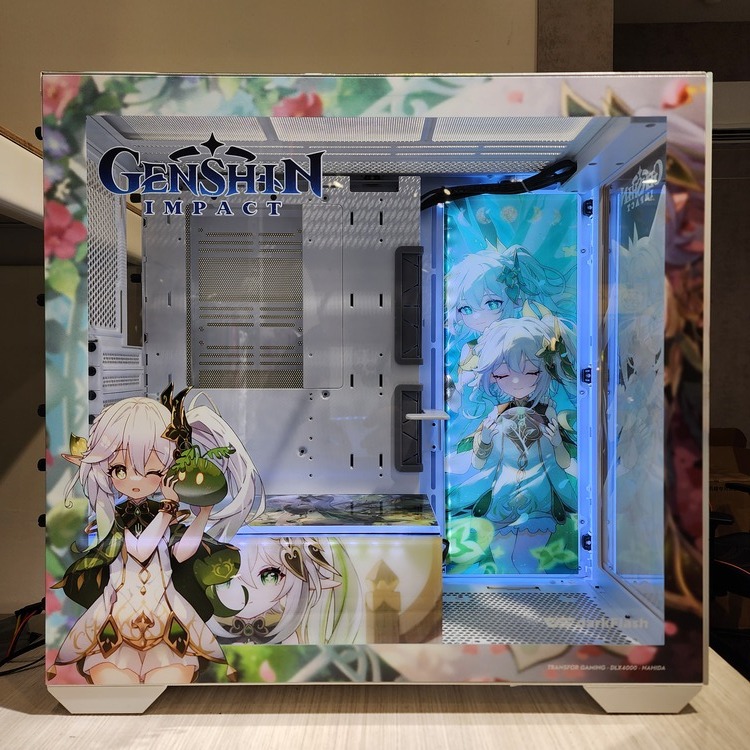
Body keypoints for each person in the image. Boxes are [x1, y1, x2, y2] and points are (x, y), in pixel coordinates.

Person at [51, 387, 264, 684]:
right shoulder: (116, 517)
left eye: (152, 471)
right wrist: (167, 509)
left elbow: (181, 553)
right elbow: (140, 550)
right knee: (111, 678)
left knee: (173, 673)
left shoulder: (165, 512)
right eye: (120, 469)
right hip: (118, 616)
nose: (135, 480)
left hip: (165, 616)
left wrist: (202, 514)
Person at [448, 313, 577, 574]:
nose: (517, 382)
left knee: (529, 564)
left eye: (530, 372)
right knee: (505, 564)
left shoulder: (547, 412)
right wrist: (485, 439)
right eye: (503, 374)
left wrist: (556, 441)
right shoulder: (496, 413)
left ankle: (533, 598)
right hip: (501, 500)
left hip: (538, 499)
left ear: (544, 371)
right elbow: (478, 462)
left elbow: (562, 462)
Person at [211, 536, 362, 645]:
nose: (248, 594)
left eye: (270, 576)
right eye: (225, 580)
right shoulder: (206, 633)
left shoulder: (289, 635)